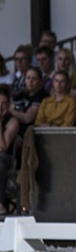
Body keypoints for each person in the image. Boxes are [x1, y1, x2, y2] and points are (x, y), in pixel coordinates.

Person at [10, 67, 48, 137]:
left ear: (40, 81)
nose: (30, 81)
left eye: (34, 79)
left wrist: (10, 112)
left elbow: (28, 118)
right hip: (15, 128)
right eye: (28, 78)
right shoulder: (22, 93)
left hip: (30, 133)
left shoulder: (42, 95)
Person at [0, 86, 20, 216]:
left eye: (4, 104)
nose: (0, 107)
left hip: (6, 159)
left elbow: (2, 147)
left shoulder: (12, 121)